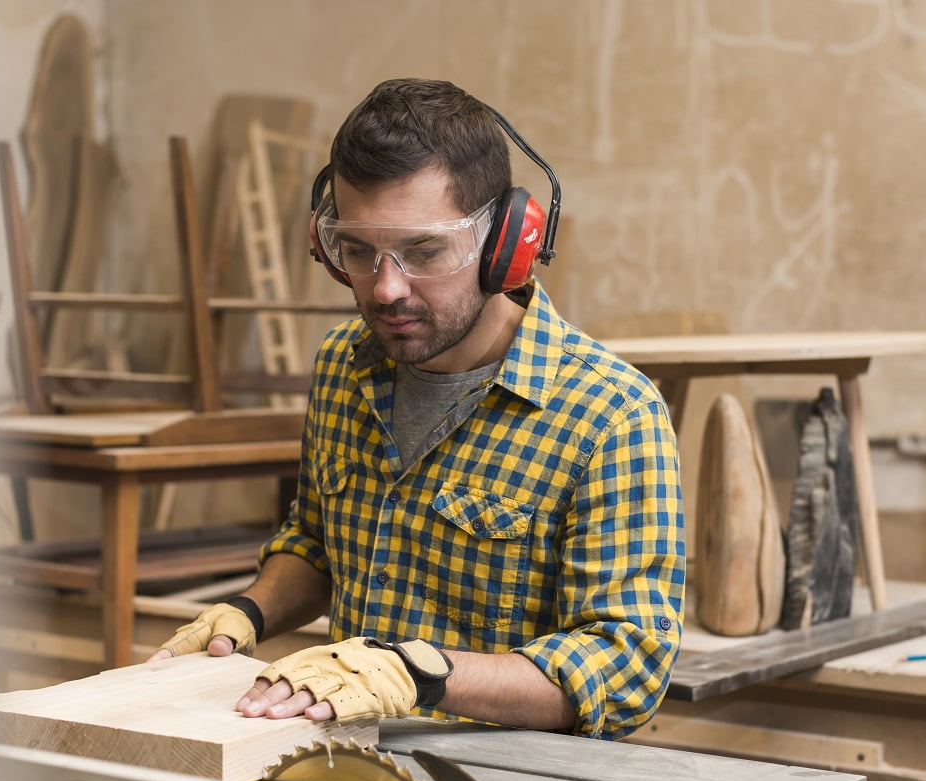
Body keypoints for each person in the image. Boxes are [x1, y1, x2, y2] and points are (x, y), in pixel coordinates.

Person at [151, 78, 683, 740]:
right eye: (357, 251)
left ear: (505, 242)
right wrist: (248, 612)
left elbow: (625, 667)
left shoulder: (610, 415)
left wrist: (418, 672)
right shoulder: (345, 365)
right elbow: (318, 544)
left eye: (425, 251)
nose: (386, 288)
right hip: (346, 760)